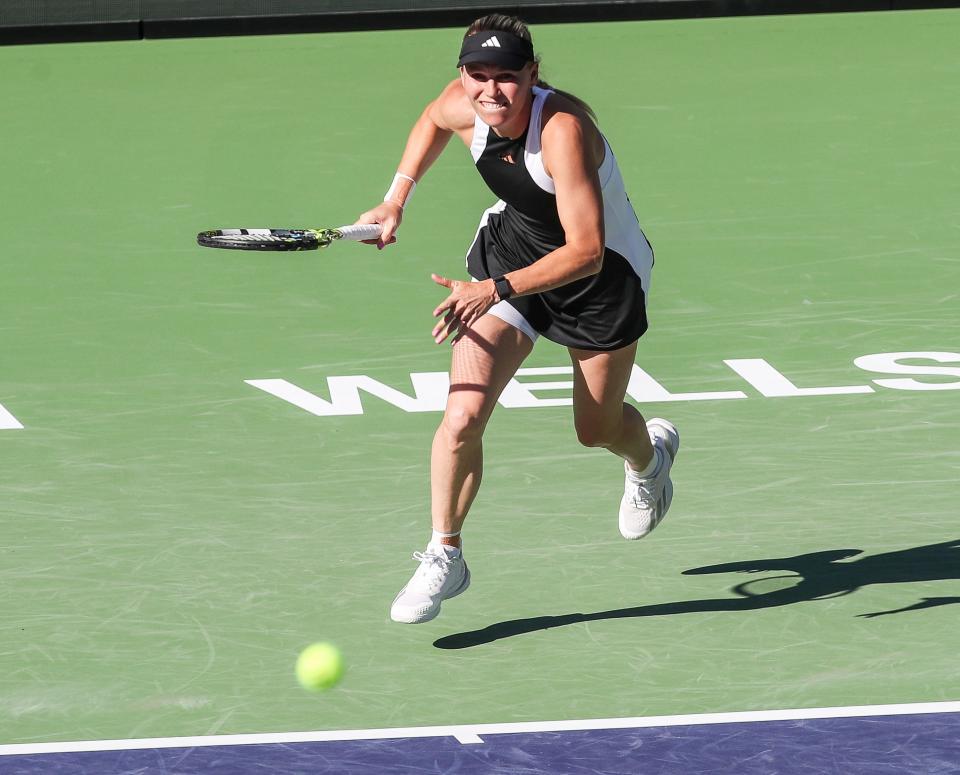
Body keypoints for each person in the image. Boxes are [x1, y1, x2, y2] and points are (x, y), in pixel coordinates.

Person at [357, 14, 679, 624]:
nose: (490, 92)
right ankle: (444, 554)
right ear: (463, 75)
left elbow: (584, 251)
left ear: (532, 74)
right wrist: (396, 199)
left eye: (506, 78)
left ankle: (650, 460)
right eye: (477, 76)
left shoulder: (563, 131)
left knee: (596, 428)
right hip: (510, 256)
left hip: (600, 282)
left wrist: (489, 289)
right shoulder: (463, 102)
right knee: (462, 414)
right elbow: (431, 120)